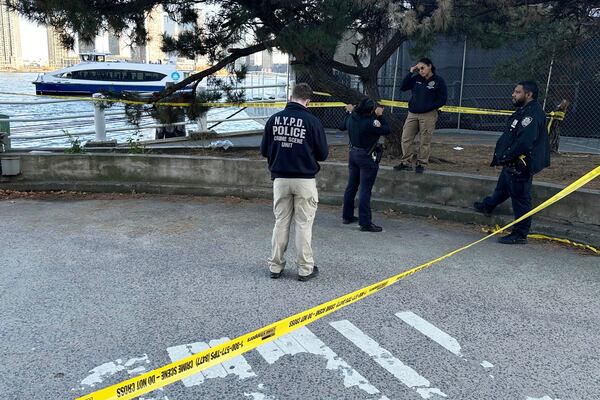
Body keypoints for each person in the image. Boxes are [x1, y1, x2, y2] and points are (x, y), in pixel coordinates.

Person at [260, 83, 329, 281]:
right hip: (304, 179)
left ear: (290, 97)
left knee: (280, 222)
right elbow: (323, 154)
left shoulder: (273, 120)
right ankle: (305, 269)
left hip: (280, 179)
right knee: (303, 225)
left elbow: (264, 150)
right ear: (308, 101)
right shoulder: (312, 121)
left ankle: (275, 266)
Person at [473, 81, 550, 244]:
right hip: (511, 163)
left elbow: (525, 142)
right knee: (502, 189)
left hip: (520, 165)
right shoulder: (523, 110)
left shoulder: (532, 114)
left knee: (521, 199)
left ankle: (520, 234)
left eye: (517, 92)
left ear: (528, 95)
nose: (513, 95)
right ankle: (488, 206)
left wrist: (507, 156)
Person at [340, 98, 390, 232]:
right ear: (371, 111)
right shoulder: (371, 122)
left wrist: (349, 112)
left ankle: (347, 215)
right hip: (366, 157)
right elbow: (386, 130)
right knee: (365, 190)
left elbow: (342, 126)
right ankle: (365, 222)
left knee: (351, 186)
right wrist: (380, 116)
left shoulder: (351, 118)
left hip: (353, 154)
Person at [393, 57, 447, 173]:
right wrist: (411, 72)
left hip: (428, 115)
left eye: (423, 68)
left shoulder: (438, 81)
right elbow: (403, 87)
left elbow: (442, 100)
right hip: (412, 114)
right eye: (419, 69)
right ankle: (406, 162)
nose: (421, 71)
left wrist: (429, 107)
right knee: (406, 138)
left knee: (425, 140)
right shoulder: (417, 78)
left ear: (430, 66)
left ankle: (421, 164)